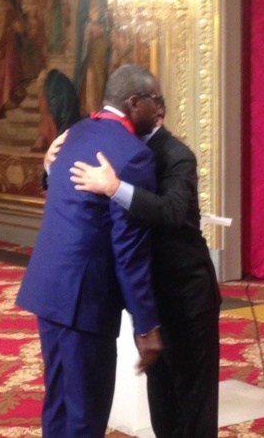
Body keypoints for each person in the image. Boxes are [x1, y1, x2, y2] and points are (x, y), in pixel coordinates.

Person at [50, 105, 222, 437]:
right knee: (162, 400)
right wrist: (49, 165)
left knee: (193, 401)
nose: (124, 111)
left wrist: (116, 188)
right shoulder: (124, 148)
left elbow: (173, 211)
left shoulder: (176, 155)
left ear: (157, 111)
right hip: (150, 295)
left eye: (133, 104)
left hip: (187, 295)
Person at [16, 64, 163, 437]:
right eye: (156, 100)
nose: (161, 109)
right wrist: (146, 324)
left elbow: (63, 192)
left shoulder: (76, 132)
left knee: (59, 402)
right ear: (134, 102)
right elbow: (129, 250)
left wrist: (47, 169)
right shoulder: (134, 155)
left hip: (49, 288)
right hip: (84, 299)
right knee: (85, 413)